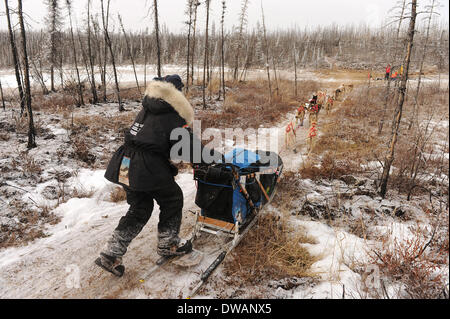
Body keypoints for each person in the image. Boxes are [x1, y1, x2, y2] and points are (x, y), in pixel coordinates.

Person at [96, 75, 222, 277]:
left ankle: (111, 252)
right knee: (172, 198)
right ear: (177, 93)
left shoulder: (148, 107)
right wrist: (213, 158)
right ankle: (168, 243)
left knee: (140, 207)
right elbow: (188, 148)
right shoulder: (173, 115)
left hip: (125, 163)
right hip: (145, 166)